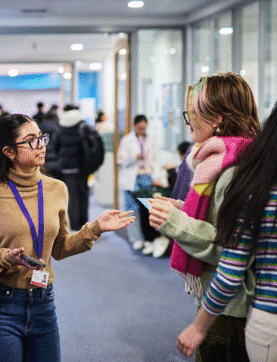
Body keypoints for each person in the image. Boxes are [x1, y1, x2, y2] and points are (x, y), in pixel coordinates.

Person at [0, 114, 135, 362]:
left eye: (41, 137)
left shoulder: (56, 189)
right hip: (1, 306)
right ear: (9, 151)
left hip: (43, 303)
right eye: (30, 140)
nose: (41, 144)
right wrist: (4, 257)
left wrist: (95, 228)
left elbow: (60, 249)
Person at [148, 72, 260, 361]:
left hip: (229, 308)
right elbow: (221, 219)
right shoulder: (220, 160)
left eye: (193, 112)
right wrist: (182, 209)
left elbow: (231, 250)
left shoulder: (233, 169)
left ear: (218, 117)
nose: (188, 121)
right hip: (222, 304)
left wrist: (176, 222)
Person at [176, 103, 277, 361]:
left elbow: (231, 268)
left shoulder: (255, 185)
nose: (190, 120)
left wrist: (199, 327)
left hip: (267, 320)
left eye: (197, 111)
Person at [116, 114, 167, 254]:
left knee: (147, 210)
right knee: (132, 209)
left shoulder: (151, 140)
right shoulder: (127, 140)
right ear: (134, 126)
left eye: (143, 127)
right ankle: (136, 238)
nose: (141, 130)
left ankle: (147, 239)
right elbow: (119, 160)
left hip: (147, 177)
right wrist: (134, 157)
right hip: (132, 178)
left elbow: (156, 159)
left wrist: (158, 176)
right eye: (139, 127)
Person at [54, 105, 92, 231]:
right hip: (81, 169)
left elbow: (55, 147)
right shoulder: (82, 127)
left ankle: (75, 226)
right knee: (83, 196)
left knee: (72, 198)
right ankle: (83, 223)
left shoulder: (61, 127)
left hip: (66, 169)